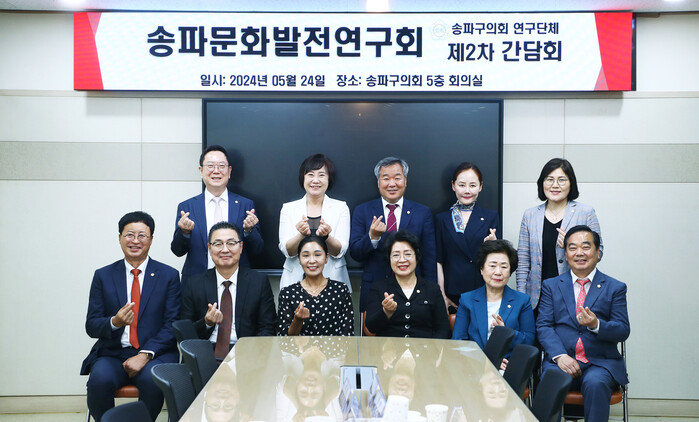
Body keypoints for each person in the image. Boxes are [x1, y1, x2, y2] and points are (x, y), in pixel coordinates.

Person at [81, 211, 181, 422]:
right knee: (99, 381)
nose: (135, 241)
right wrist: (114, 322)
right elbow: (92, 325)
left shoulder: (169, 276)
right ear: (120, 238)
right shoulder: (103, 275)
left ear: (151, 239)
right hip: (113, 354)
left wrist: (144, 355)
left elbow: (172, 324)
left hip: (155, 354)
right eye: (129, 235)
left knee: (153, 381)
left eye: (142, 235)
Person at [537, 225, 629, 422]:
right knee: (552, 380)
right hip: (562, 361)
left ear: (598, 253)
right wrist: (560, 356)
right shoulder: (551, 286)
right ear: (566, 254)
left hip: (599, 363)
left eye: (586, 247)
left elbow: (623, 330)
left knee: (595, 383)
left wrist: (596, 325)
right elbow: (544, 326)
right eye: (572, 247)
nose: (579, 253)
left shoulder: (615, 288)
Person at [350, 157, 437, 311]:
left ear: (405, 181)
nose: (392, 184)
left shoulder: (422, 213)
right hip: (374, 290)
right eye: (386, 178)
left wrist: (431, 294)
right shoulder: (362, 211)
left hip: (413, 292)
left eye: (397, 178)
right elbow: (355, 253)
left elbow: (429, 258)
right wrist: (372, 237)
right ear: (378, 182)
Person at [180, 222, 276, 359]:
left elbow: (267, 329)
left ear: (241, 247)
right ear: (209, 248)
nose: (225, 250)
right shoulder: (194, 283)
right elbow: (185, 333)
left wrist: (252, 356)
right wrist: (207, 323)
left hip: (247, 353)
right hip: (205, 354)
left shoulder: (259, 282)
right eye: (218, 244)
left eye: (231, 243)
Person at [516, 158, 603, 311]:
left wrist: (570, 246)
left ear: (571, 183)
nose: (555, 185)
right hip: (536, 297)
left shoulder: (586, 213)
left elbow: (598, 252)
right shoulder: (530, 215)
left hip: (573, 294)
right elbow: (523, 261)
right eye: (549, 179)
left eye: (562, 180)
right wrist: (522, 298)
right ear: (542, 183)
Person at [171, 145, 263, 283]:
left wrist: (249, 231)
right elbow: (177, 251)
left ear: (229, 171)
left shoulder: (245, 205)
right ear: (201, 171)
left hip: (237, 281)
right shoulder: (187, 207)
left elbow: (258, 249)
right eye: (210, 166)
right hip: (197, 282)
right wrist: (184, 232)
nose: (216, 171)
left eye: (221, 166)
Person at [451, 239, 535, 370]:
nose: (498, 272)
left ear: (510, 271)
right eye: (492, 265)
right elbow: (458, 341)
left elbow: (529, 342)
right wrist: (486, 360)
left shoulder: (522, 301)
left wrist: (506, 332)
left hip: (508, 367)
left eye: (504, 267)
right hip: (473, 366)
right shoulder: (467, 300)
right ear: (481, 269)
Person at [278, 154, 351, 291]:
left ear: (329, 178)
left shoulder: (341, 208)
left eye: (321, 175)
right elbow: (287, 251)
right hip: (294, 282)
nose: (315, 180)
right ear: (303, 178)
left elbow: (339, 252)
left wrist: (327, 237)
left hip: (334, 282)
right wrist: (300, 235)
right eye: (310, 175)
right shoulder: (288, 208)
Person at [435, 162, 501, 312]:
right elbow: (438, 260)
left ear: (480, 186)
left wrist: (493, 245)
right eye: (462, 185)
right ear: (453, 185)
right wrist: (442, 295)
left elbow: (499, 258)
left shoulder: (490, 217)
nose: (467, 190)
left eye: (472, 185)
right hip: (452, 293)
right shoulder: (442, 219)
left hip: (482, 290)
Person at [365, 230, 450, 339]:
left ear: (417, 257)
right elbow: (371, 328)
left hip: (425, 348)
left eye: (408, 254)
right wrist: (386, 312)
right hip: (389, 349)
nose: (402, 260)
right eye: (396, 255)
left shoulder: (432, 289)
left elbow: (443, 329)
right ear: (389, 259)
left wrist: (433, 348)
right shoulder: (378, 288)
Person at [277, 236, 354, 336]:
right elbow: (284, 338)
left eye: (317, 255)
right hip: (300, 347)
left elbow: (348, 334)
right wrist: (297, 320)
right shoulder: (287, 293)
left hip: (334, 346)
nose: (312, 261)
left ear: (326, 258)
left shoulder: (341, 290)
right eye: (306, 255)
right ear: (299, 259)